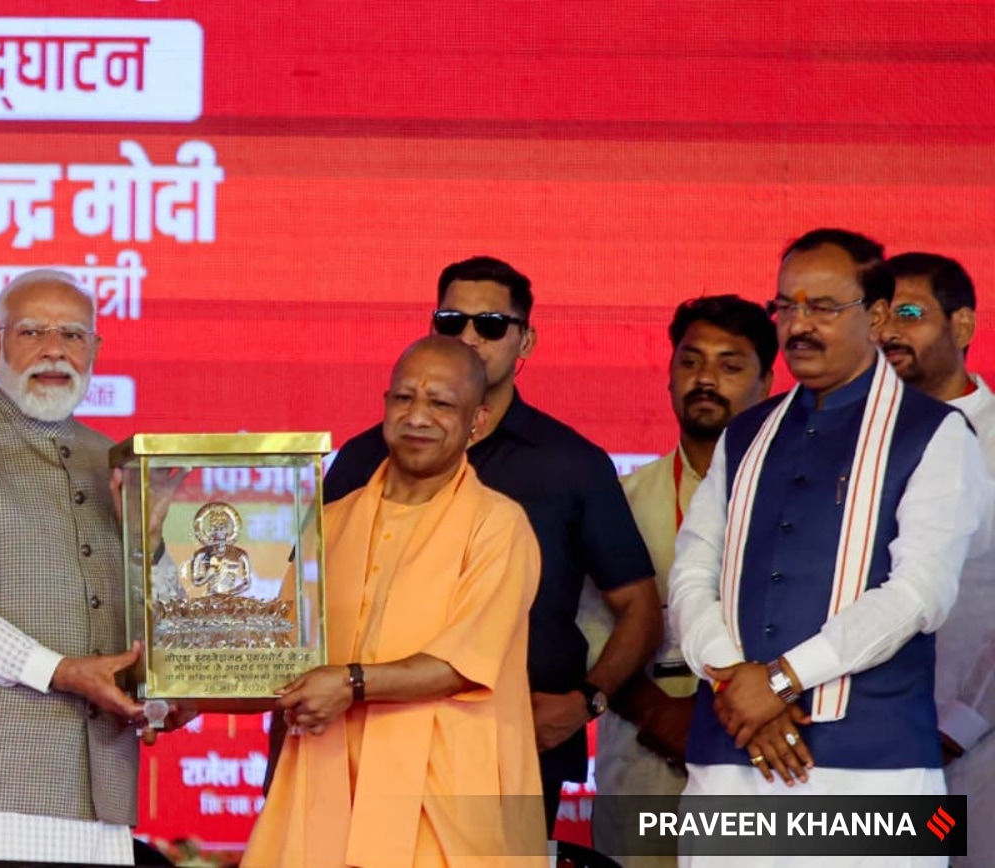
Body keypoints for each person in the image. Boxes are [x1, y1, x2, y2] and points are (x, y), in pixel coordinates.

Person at [669, 229, 991, 868]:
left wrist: (784, 681)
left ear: (874, 316)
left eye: (822, 308)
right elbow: (691, 572)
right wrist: (739, 684)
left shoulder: (936, 435)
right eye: (786, 307)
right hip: (731, 760)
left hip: (871, 771)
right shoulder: (747, 432)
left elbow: (919, 594)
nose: (798, 327)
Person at [322, 256, 661, 829]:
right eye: (452, 321)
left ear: (525, 338)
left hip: (515, 742)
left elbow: (640, 610)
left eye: (491, 325)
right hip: (363, 744)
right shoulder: (364, 459)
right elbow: (307, 603)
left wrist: (585, 702)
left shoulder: (571, 465)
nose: (470, 338)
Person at [0, 269, 189, 864]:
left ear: (97, 351)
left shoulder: (114, 460)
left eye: (74, 336)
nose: (55, 350)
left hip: (97, 794)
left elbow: (164, 624)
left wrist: (148, 544)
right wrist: (62, 671)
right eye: (32, 331)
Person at [245, 336, 543, 867]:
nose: (417, 416)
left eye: (441, 403)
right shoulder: (327, 523)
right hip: (325, 787)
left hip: (441, 801)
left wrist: (350, 683)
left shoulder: (499, 526)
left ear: (477, 421)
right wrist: (180, 690)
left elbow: (461, 664)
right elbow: (277, 658)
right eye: (404, 398)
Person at [578, 295, 775, 865]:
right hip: (642, 757)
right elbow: (588, 626)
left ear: (767, 383)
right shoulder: (620, 500)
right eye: (690, 362)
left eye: (730, 365)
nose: (706, 379)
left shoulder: (802, 503)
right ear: (668, 377)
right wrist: (653, 711)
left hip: (758, 758)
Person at [878, 252, 993, 867]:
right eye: (878, 316)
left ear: (963, 327)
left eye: (911, 314)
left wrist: (957, 722)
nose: (889, 332)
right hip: (856, 747)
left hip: (974, 749)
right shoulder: (847, 442)